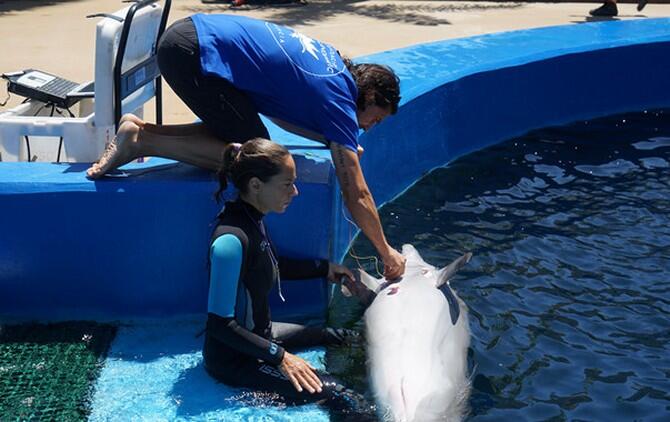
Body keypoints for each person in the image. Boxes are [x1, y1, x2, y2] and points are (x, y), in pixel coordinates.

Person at [85, 14, 406, 280]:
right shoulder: (338, 101)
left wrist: (333, 140)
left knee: (246, 132)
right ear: (371, 96)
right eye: (375, 119)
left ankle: (141, 132)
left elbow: (284, 112)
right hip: (192, 53)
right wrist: (386, 251)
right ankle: (145, 142)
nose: (368, 127)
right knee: (258, 160)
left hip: (190, 36)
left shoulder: (333, 68)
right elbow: (357, 193)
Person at [204, 138, 370, 414]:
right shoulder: (229, 242)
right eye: (287, 184)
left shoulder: (253, 217)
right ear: (256, 185)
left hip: (263, 333)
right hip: (235, 359)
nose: (295, 192)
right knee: (342, 396)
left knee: (345, 337)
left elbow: (268, 263)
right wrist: (281, 358)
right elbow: (219, 325)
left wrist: (323, 269)